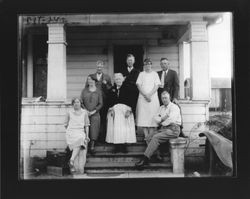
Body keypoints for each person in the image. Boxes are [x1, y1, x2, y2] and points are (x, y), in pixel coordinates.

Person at [135, 91, 182, 169]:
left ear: (169, 98)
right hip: (164, 129)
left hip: (173, 129)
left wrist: (161, 120)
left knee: (156, 137)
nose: (164, 100)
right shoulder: (161, 108)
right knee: (148, 137)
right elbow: (156, 118)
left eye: (166, 98)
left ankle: (145, 159)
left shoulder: (174, 107)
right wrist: (163, 118)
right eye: (163, 98)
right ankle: (158, 156)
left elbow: (171, 119)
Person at [106, 73, 137, 153]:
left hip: (125, 111)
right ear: (114, 81)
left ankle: (124, 147)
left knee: (124, 129)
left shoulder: (128, 88)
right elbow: (108, 100)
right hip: (115, 111)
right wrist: (111, 109)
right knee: (116, 129)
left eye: (119, 79)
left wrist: (129, 110)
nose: (118, 80)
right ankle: (116, 147)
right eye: (116, 79)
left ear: (123, 79)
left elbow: (133, 99)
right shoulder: (112, 89)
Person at [136, 58, 161, 140]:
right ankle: (146, 137)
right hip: (143, 99)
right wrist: (145, 95)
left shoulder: (155, 74)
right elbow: (139, 85)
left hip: (152, 99)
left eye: (149, 64)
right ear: (144, 65)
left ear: (151, 65)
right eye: (146, 64)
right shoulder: (141, 74)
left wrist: (149, 94)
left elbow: (157, 85)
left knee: (152, 118)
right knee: (144, 118)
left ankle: (150, 137)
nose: (148, 65)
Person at [87, 60, 112, 142]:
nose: (99, 68)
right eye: (98, 67)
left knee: (103, 119)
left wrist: (106, 84)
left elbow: (110, 89)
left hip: (104, 101)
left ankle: (103, 137)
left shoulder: (107, 77)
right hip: (94, 101)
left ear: (103, 67)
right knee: (94, 119)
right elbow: (86, 88)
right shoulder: (91, 76)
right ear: (96, 67)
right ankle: (94, 138)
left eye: (101, 67)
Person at [65, 98, 90, 174]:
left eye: (78, 102)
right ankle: (73, 163)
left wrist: (87, 136)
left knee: (81, 138)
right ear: (73, 104)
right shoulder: (69, 112)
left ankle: (71, 160)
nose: (76, 103)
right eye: (74, 102)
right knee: (80, 141)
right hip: (71, 132)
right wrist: (69, 132)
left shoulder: (84, 112)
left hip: (80, 132)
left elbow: (86, 125)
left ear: (80, 103)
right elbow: (66, 125)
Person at [81, 74, 103, 154]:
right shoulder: (84, 90)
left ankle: (92, 147)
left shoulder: (98, 91)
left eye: (91, 80)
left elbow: (101, 103)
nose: (90, 81)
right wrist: (85, 110)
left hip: (95, 113)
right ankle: (84, 146)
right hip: (85, 113)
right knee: (85, 129)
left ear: (95, 81)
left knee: (94, 129)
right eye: (88, 80)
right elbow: (81, 102)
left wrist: (94, 111)